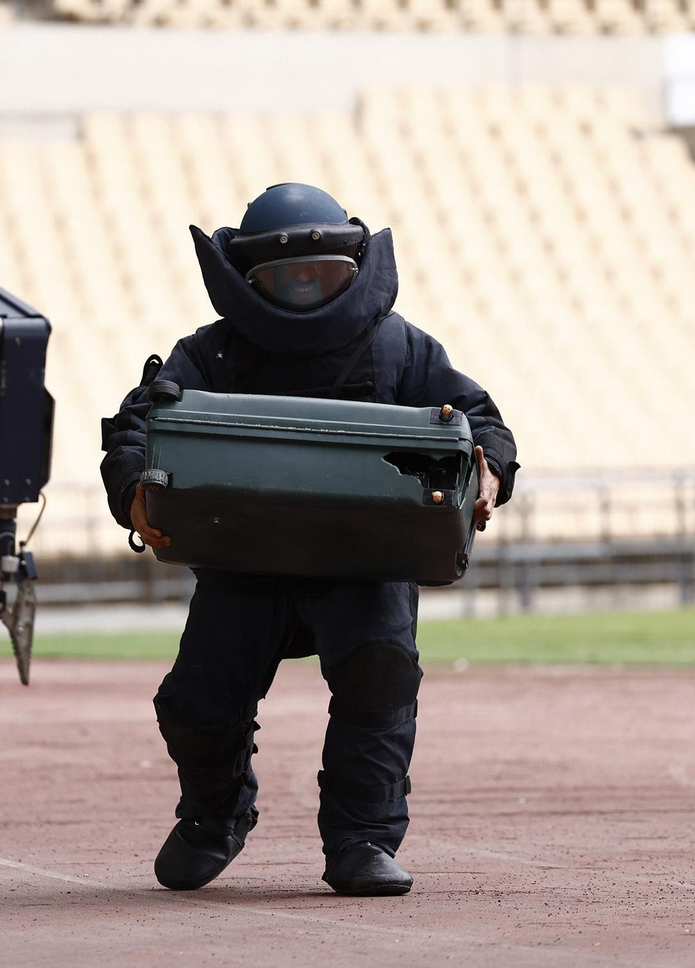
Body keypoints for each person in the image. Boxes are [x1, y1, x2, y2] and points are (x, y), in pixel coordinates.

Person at [99, 184, 519, 896]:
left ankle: (361, 841)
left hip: (366, 562)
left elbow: (479, 418)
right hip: (241, 563)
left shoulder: (399, 348)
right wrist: (133, 485)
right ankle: (214, 816)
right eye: (284, 276)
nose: (302, 286)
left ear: (352, 269)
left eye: (319, 273)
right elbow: (136, 423)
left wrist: (490, 466)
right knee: (196, 706)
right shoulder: (209, 353)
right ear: (247, 279)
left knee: (379, 674)